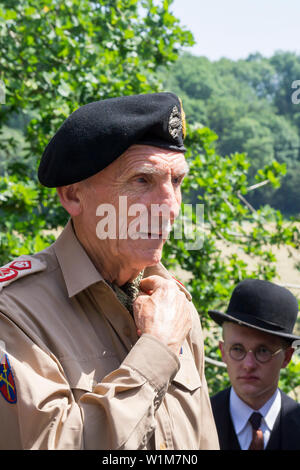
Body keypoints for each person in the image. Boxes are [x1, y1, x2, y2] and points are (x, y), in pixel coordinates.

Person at [0, 92, 219, 450]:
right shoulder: (14, 313)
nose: (170, 208)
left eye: (176, 182)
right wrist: (156, 352)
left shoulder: (174, 305)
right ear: (72, 195)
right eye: (142, 181)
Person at [209, 278, 300, 450]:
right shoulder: (197, 421)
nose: (248, 364)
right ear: (223, 351)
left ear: (287, 357)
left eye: (263, 351)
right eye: (237, 349)